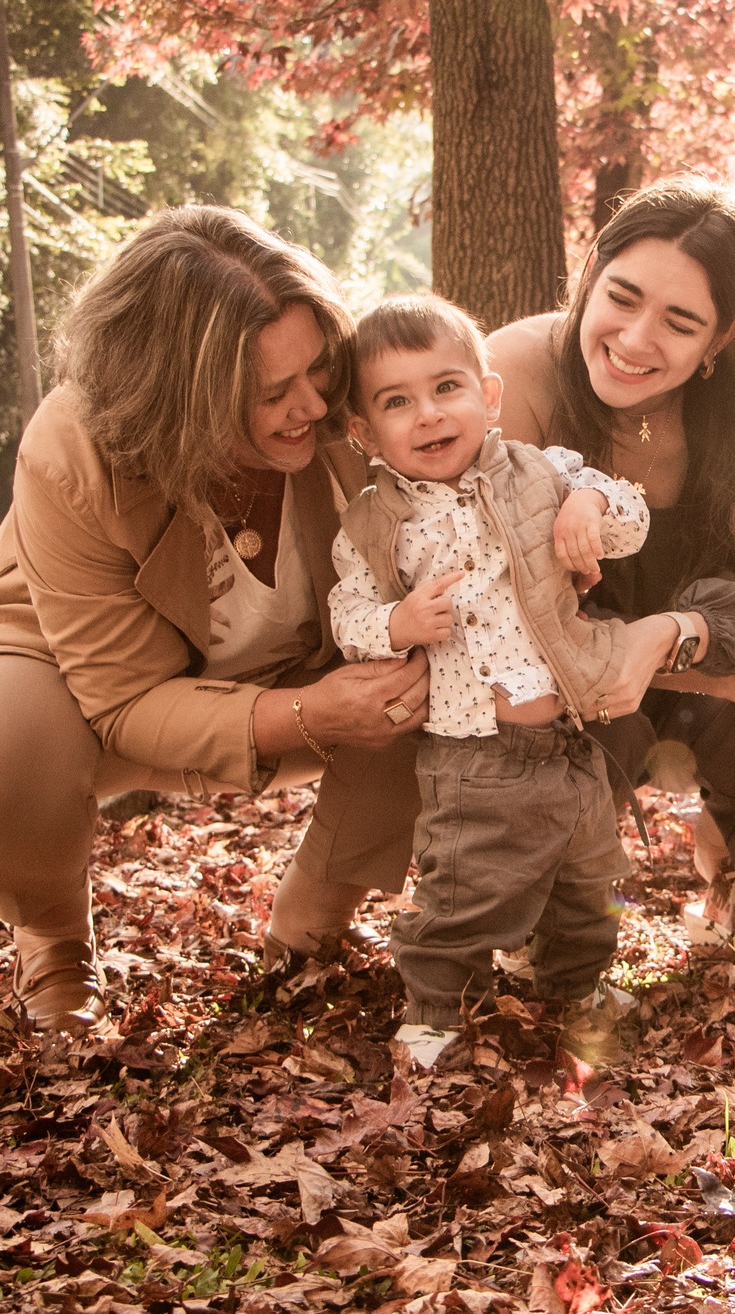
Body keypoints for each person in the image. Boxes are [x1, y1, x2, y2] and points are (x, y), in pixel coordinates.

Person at [0, 206, 440, 1034]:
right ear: (178, 396)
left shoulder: (358, 397)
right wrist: (309, 714)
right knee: (4, 734)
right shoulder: (72, 450)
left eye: (319, 369)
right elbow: (124, 698)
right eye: (271, 394)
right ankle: (52, 936)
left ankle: (311, 923)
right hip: (87, 693)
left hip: (303, 667)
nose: (312, 404)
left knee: (433, 666)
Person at [487, 175, 735, 945]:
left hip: (681, 656)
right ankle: (542, 899)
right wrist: (728, 676)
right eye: (621, 296)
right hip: (550, 676)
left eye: (680, 323)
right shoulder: (514, 375)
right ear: (589, 275)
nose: (636, 339)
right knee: (731, 686)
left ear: (718, 344)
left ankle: (730, 870)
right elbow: (507, 625)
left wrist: (707, 649)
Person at [329, 296, 651, 1034]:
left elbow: (632, 518)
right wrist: (395, 623)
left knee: (589, 884)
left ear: (489, 395)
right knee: (462, 898)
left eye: (447, 388)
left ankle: (574, 988)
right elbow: (348, 616)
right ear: (363, 430)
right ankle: (434, 1013)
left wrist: (591, 503)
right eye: (397, 402)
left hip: (572, 738)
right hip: (473, 760)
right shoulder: (377, 523)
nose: (430, 415)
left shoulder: (542, 472)